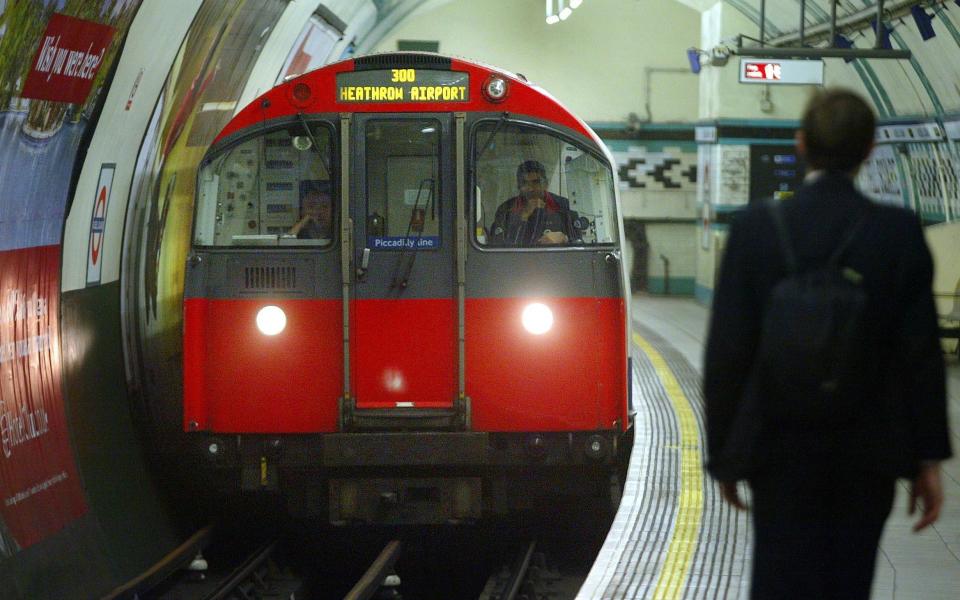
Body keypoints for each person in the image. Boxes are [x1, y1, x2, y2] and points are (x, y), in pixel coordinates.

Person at [703, 89, 951, 600]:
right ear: (869, 150)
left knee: (778, 576)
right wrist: (927, 459)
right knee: (848, 581)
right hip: (868, 448)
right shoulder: (897, 233)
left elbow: (728, 350)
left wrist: (726, 455)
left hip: (778, 445)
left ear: (800, 145)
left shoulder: (756, 230)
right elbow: (920, 354)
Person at [488, 160, 579, 246]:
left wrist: (565, 239)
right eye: (525, 183)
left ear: (546, 184)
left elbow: (579, 239)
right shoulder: (506, 209)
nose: (530, 188)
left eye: (536, 182)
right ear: (519, 186)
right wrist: (523, 216)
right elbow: (496, 243)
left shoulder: (562, 205)